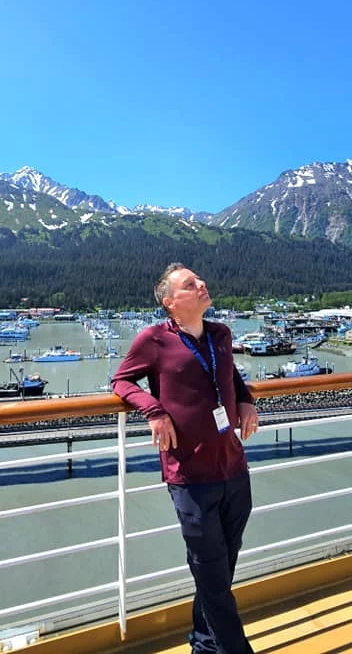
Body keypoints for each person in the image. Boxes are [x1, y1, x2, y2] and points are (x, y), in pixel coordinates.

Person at [112, 263, 259, 654]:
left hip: (233, 469)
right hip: (190, 476)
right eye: (190, 284)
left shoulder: (221, 334)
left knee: (219, 569)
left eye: (200, 280)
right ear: (171, 302)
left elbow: (232, 377)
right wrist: (154, 410)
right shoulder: (154, 340)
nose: (202, 285)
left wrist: (246, 400)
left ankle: (206, 645)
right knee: (212, 573)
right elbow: (122, 380)